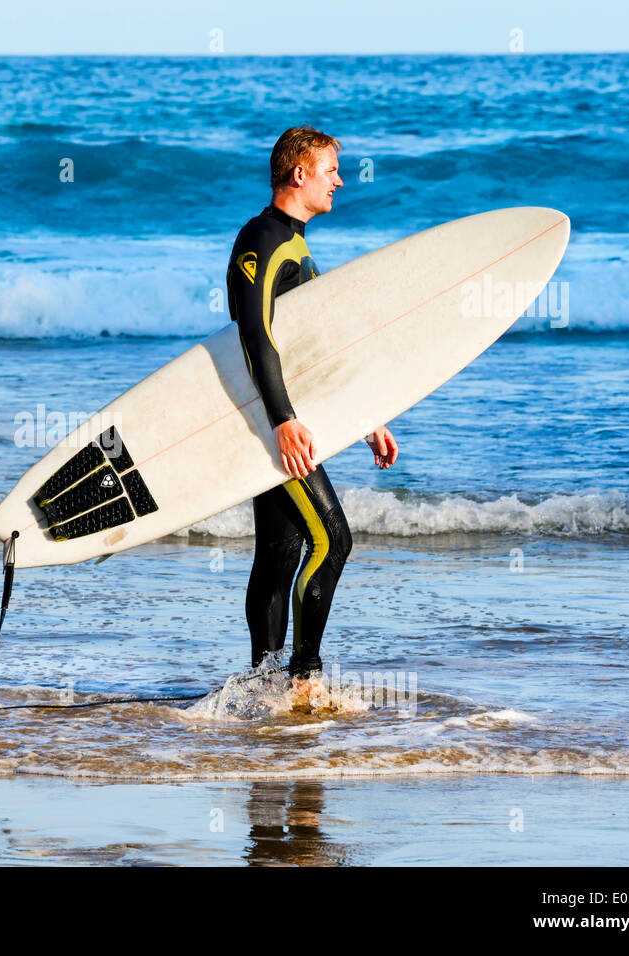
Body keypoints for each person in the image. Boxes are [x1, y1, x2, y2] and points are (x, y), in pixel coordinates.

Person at [225, 125, 400, 688]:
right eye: (330, 171)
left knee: (282, 550)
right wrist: (280, 421)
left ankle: (261, 688)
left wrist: (365, 416)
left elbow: (316, 348)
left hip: (281, 419)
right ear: (299, 174)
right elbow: (256, 335)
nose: (339, 181)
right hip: (274, 420)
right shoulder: (262, 239)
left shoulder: (294, 242)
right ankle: (304, 678)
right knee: (333, 539)